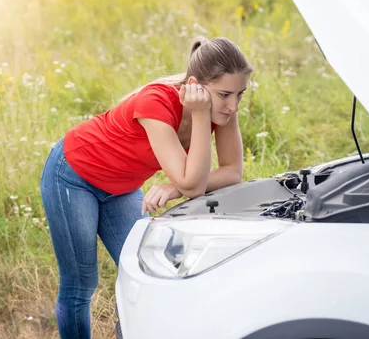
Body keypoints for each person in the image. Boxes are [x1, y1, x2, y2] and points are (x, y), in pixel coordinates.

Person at [39, 36, 253, 338]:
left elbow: (232, 173)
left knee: (153, 271)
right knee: (81, 282)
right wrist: (201, 116)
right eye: (225, 94)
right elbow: (194, 183)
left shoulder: (221, 109)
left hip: (122, 188)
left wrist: (173, 187)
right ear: (194, 86)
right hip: (74, 174)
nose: (232, 106)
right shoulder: (157, 102)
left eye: (240, 95)